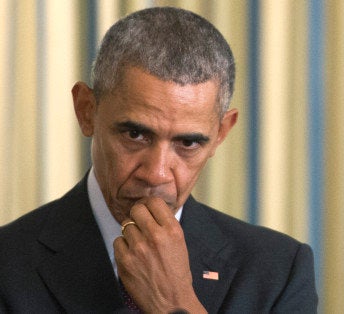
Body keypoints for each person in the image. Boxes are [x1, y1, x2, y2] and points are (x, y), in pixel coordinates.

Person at [0, 7, 317, 313]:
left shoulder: (278, 272)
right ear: (87, 111)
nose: (156, 174)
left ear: (220, 133)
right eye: (135, 135)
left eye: (188, 142)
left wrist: (176, 304)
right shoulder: (8, 264)